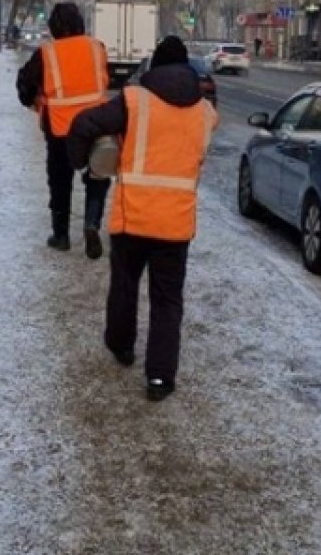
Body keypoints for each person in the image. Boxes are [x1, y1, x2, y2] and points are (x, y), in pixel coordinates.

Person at [68, 36, 218, 401]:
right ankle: (159, 378)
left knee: (125, 284)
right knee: (168, 300)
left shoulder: (134, 102)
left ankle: (121, 346)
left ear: (154, 68)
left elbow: (84, 123)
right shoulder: (206, 114)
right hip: (175, 224)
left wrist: (80, 162)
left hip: (132, 216)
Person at [16, 3, 111, 257]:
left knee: (60, 181)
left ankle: (61, 235)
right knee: (98, 174)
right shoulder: (97, 48)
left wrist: (35, 101)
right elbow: (105, 79)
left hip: (59, 128)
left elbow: (24, 85)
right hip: (95, 125)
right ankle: (92, 222)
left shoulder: (46, 55)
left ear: (54, 27)